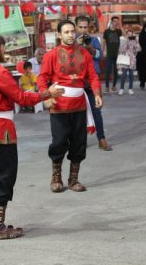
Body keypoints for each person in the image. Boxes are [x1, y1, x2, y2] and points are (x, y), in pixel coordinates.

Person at [0, 32, 63, 240]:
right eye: (3, 47)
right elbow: (21, 97)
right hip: (0, 131)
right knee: (3, 177)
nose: (4, 51)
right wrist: (47, 93)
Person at [38, 20, 102, 193]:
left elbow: (93, 76)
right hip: (59, 106)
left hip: (79, 106)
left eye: (72, 31)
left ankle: (73, 180)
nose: (70, 35)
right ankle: (56, 177)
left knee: (79, 143)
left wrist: (96, 94)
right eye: (66, 32)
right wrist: (46, 96)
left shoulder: (85, 53)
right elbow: (42, 78)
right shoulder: (51, 55)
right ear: (59, 35)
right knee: (59, 142)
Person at [75, 15, 112, 151]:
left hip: (92, 80)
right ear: (76, 27)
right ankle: (80, 140)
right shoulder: (72, 41)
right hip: (77, 81)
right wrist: (77, 44)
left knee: (96, 110)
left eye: (86, 27)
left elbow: (99, 56)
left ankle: (101, 139)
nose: (84, 30)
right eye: (81, 27)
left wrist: (89, 46)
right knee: (78, 113)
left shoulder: (94, 40)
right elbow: (69, 58)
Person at [102, 16, 123, 93]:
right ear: (111, 22)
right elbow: (103, 42)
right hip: (109, 53)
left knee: (115, 70)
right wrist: (103, 51)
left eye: (117, 21)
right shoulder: (106, 32)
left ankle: (114, 86)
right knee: (108, 70)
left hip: (117, 54)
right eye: (114, 21)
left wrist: (121, 27)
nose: (116, 23)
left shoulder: (118, 31)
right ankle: (107, 87)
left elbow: (125, 36)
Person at [118, 30, 141, 95]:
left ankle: (130, 89)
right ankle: (121, 89)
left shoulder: (134, 41)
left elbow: (139, 49)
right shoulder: (123, 40)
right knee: (124, 75)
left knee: (131, 75)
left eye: (131, 34)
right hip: (125, 58)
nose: (129, 35)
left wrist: (137, 41)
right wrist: (126, 41)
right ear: (126, 35)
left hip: (132, 59)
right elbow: (121, 49)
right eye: (128, 34)